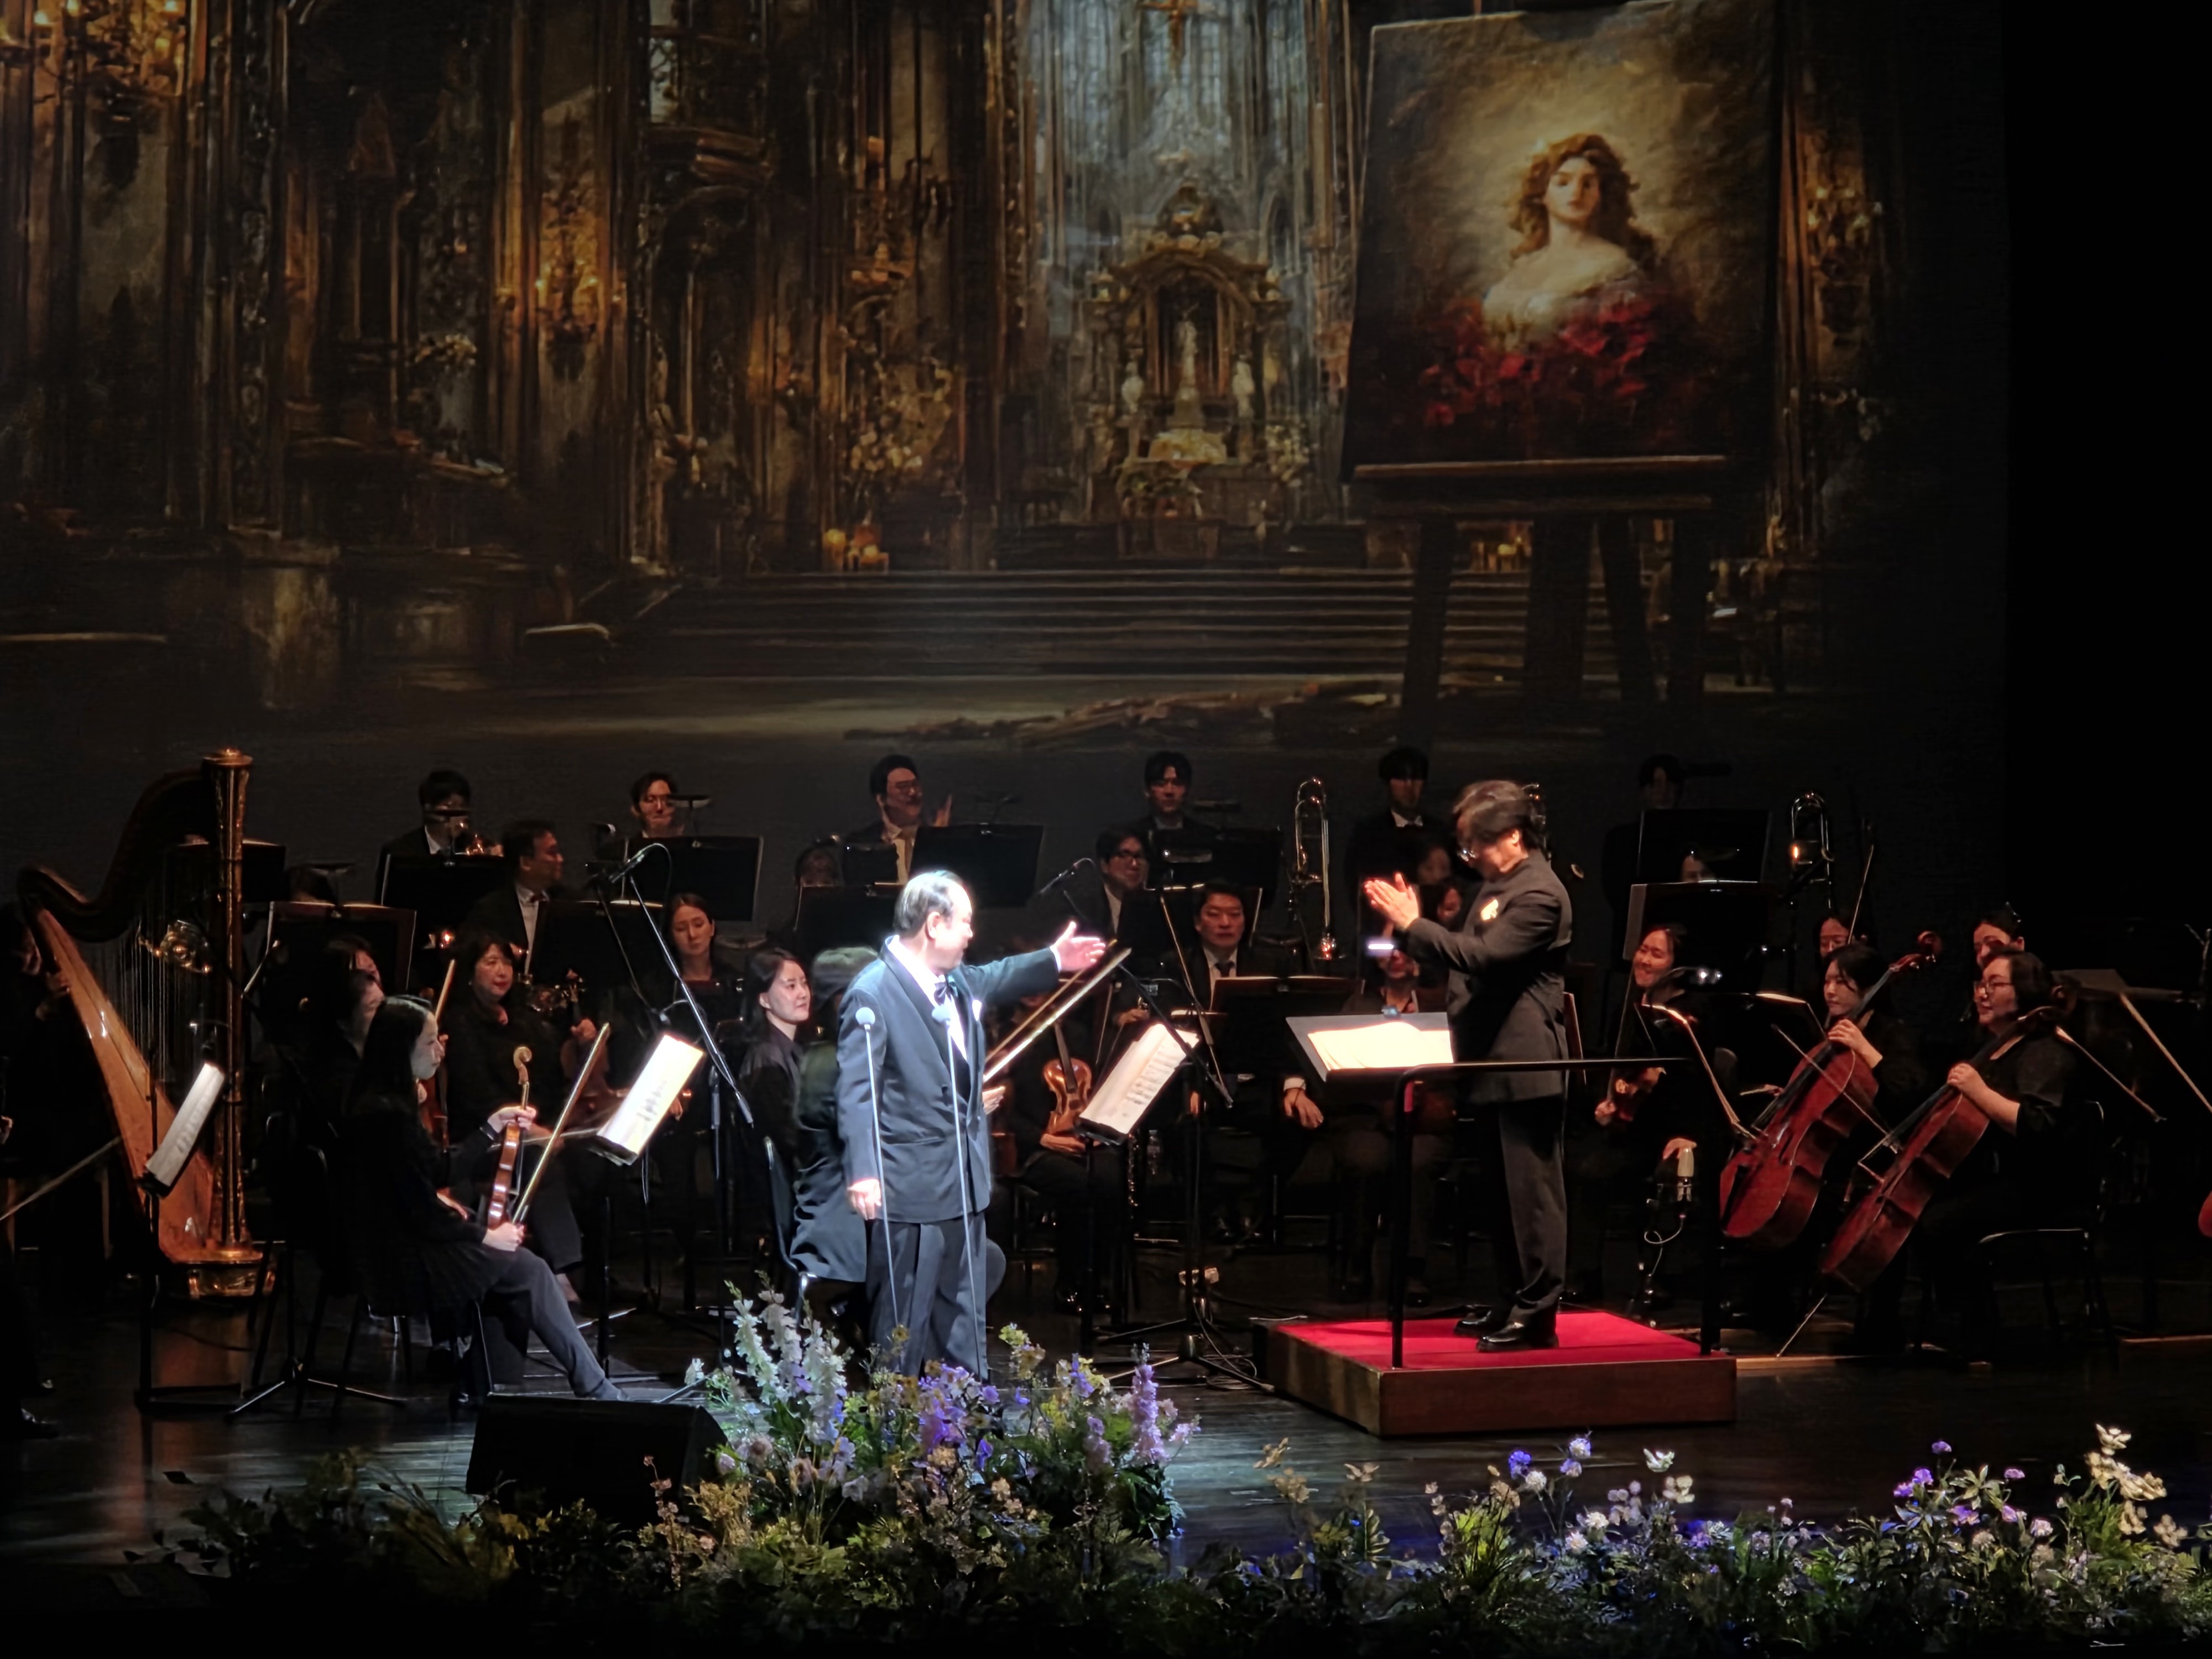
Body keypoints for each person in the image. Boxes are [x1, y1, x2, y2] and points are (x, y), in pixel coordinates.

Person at [838, 873, 1104, 1374]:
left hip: (963, 1178)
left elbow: (998, 976)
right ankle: (897, 1412)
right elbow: (857, 1091)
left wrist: (1054, 959)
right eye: (964, 922)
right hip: (913, 1184)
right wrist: (864, 1170)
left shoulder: (956, 980)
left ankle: (966, 1406)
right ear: (934, 925)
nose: (971, 933)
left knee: (963, 1307)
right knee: (906, 1318)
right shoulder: (873, 994)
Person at [1368, 779, 1573, 1350]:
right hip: (1487, 1060)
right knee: (1499, 1197)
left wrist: (1413, 924)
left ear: (1514, 836)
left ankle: (1538, 1312)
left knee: (1532, 1196)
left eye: (1478, 843)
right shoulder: (1497, 887)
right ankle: (1511, 1298)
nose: (1471, 855)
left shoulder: (1540, 893)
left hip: (1524, 1062)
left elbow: (1485, 957)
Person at [339, 997, 623, 1401]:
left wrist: (492, 1127)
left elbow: (438, 1170)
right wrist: (486, 1236)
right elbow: (421, 1213)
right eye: (430, 1043)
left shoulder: (384, 1103)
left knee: (514, 1269)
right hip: (401, 1260)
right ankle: (595, 1389)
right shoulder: (386, 1116)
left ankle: (487, 1384)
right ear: (402, 1050)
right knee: (528, 1270)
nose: (440, 1051)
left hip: (407, 1244)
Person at [1856, 950, 2094, 1357]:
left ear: (2025, 991)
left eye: (1995, 984)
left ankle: (1972, 1329)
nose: (1982, 993)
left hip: (2038, 1186)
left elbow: (2036, 1126)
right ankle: (1884, 1327)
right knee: (1902, 1209)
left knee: (1938, 1222)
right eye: (1981, 984)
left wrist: (1978, 1091)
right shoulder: (1992, 1047)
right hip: (1992, 1177)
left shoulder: (2045, 1051)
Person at [437, 930, 592, 1281]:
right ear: (470, 971)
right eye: (491, 962)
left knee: (591, 1158)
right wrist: (534, 1131)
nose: (502, 970)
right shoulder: (459, 1022)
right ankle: (565, 1272)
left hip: (532, 1131)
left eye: (506, 962)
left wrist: (580, 1047)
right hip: (483, 1137)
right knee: (540, 1161)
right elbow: (476, 1094)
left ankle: (592, 1267)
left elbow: (549, 1080)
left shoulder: (523, 1020)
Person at [789, 948, 876, 1344]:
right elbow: (870, 1133)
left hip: (858, 1206)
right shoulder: (833, 1065)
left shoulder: (844, 1057)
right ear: (842, 1002)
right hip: (843, 1215)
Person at [738, 948, 813, 1262]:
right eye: (790, 986)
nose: (802, 993)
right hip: (792, 1191)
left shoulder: (792, 1050)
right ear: (764, 1000)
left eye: (804, 983)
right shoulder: (767, 1060)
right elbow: (785, 1137)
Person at [1340, 746, 1443, 943]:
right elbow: (1357, 887)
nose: (1409, 787)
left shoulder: (1440, 831)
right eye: (1401, 779)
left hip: (1435, 934)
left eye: (1416, 779)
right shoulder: (1369, 832)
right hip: (1383, 935)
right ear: (1388, 784)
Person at [463, 820, 568, 964]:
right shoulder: (490, 911)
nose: (560, 859)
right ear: (526, 863)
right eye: (552, 853)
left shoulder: (569, 903)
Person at [845, 755, 950, 884]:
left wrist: (938, 839)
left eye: (915, 785)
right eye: (903, 787)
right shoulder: (863, 844)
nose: (913, 792)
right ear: (882, 799)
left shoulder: (939, 837)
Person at [1119, 750, 1212, 860]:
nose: (1169, 791)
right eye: (1161, 784)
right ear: (1147, 791)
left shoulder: (1206, 837)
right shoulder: (1130, 838)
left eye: (1177, 783)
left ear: (1187, 789)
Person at [380, 768, 481, 864]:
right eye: (450, 806)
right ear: (428, 809)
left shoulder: (477, 850)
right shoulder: (400, 852)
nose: (459, 815)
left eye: (463, 806)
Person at [630, 770, 680, 840]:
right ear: (636, 808)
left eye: (666, 800)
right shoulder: (629, 846)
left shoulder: (689, 845)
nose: (659, 808)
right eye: (650, 800)